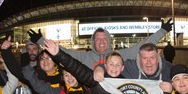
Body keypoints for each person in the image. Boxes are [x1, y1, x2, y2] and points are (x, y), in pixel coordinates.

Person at [28, 18, 173, 69]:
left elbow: (140, 47)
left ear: (109, 41)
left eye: (104, 38)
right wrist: (41, 41)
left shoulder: (120, 55)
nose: (101, 42)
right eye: (97, 39)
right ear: (93, 42)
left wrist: (162, 31)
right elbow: (64, 52)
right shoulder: (85, 57)